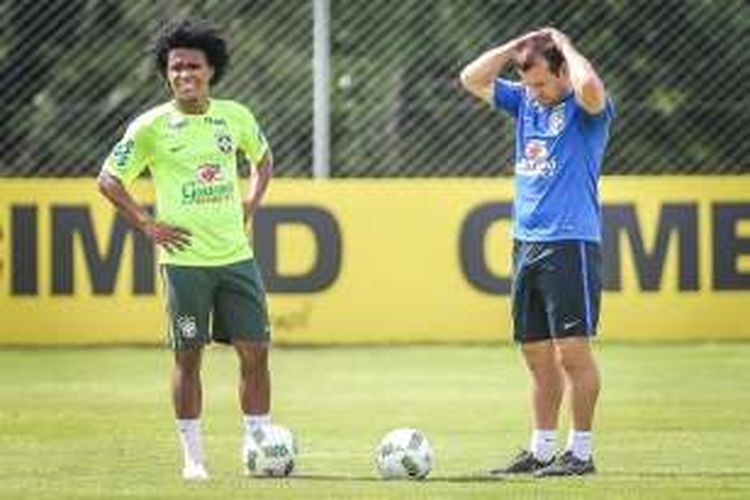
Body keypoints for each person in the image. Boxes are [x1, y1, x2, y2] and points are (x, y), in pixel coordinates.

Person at [97, 18, 274, 481]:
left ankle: (259, 446)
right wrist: (146, 224)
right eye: (175, 68)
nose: (184, 75)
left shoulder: (235, 116)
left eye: (193, 66)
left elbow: (263, 159)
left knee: (255, 351)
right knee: (188, 356)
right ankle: (193, 458)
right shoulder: (151, 126)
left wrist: (250, 203)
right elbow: (109, 179)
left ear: (211, 70)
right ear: (166, 73)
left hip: (236, 257)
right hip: (184, 264)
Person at [460, 27, 614, 477]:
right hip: (526, 243)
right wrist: (514, 48)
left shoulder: (586, 109)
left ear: (561, 70)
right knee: (536, 355)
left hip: (570, 241)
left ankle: (580, 452)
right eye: (529, 84)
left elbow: (590, 88)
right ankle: (541, 450)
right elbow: (472, 77)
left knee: (572, 353)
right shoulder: (526, 100)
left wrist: (565, 45)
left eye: (542, 83)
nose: (535, 93)